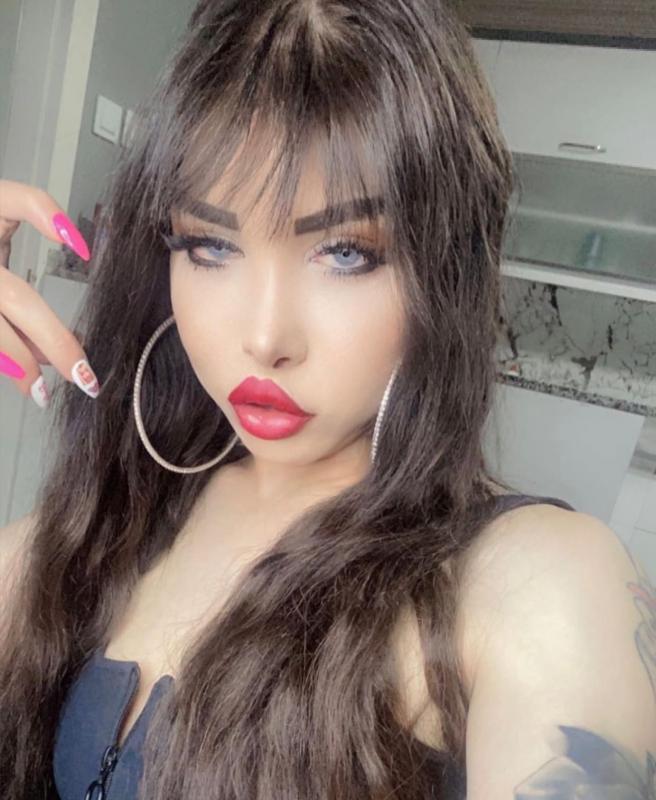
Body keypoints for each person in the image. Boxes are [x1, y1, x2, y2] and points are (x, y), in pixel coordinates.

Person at [0, 0, 654, 798]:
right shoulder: (105, 524)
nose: (265, 336)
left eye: (345, 253)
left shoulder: (529, 580)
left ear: (445, 272)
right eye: (210, 245)